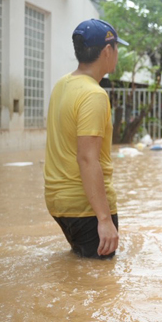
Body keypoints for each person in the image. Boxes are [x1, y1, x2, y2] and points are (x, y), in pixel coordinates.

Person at [44, 19, 128, 259]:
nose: (117, 53)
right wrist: (104, 218)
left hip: (58, 201)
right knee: (101, 285)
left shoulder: (62, 84)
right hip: (85, 206)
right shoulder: (94, 95)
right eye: (116, 48)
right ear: (107, 51)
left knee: (80, 272)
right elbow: (87, 158)